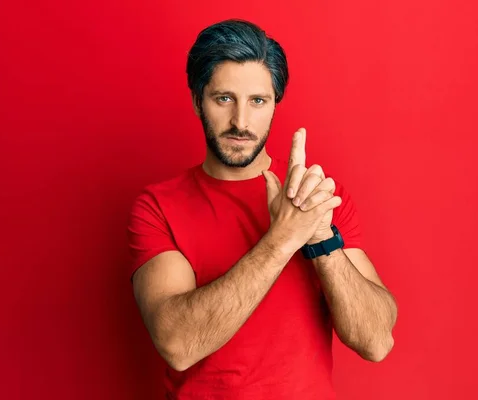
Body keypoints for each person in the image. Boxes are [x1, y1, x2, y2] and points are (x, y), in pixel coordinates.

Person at [127, 18, 398, 400]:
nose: (241, 122)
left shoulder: (318, 199)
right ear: (196, 101)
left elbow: (376, 342)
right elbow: (178, 344)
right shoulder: (157, 207)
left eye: (258, 101)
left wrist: (321, 238)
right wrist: (283, 239)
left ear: (274, 105)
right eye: (224, 99)